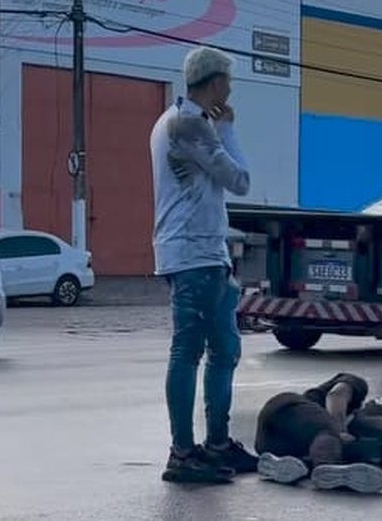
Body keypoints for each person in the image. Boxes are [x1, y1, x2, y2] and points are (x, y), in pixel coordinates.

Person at [150, 46, 256, 484]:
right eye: (227, 82)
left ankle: (216, 444)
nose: (230, 90)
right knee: (189, 352)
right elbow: (241, 181)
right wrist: (228, 128)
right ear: (214, 83)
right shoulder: (191, 125)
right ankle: (182, 453)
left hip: (207, 253)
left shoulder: (173, 120)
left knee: (225, 350)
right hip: (191, 254)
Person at [254, 372, 382, 493]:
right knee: (330, 437)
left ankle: (280, 466)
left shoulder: (367, 435)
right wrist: (339, 430)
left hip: (274, 444)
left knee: (353, 450)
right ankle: (325, 468)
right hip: (286, 410)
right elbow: (336, 394)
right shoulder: (358, 388)